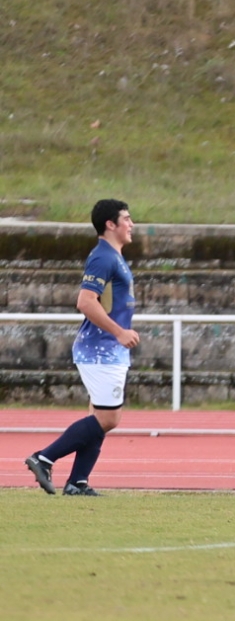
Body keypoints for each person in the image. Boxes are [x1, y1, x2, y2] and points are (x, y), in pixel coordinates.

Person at [24, 198, 139, 497]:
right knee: (108, 418)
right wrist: (119, 332)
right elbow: (85, 302)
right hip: (100, 349)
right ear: (110, 225)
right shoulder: (103, 257)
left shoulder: (113, 256)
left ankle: (78, 482)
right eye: (126, 219)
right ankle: (44, 457)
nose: (131, 224)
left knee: (97, 418)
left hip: (107, 349)